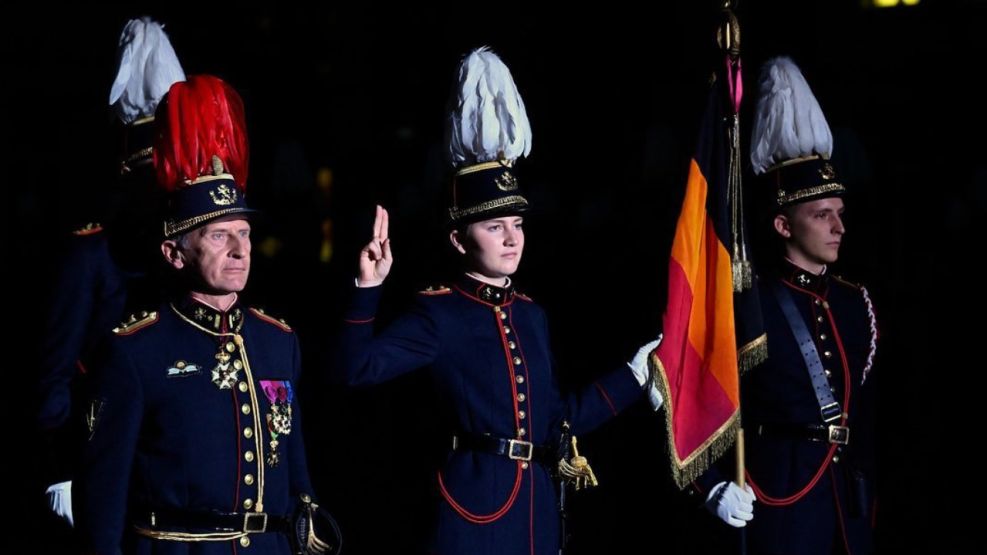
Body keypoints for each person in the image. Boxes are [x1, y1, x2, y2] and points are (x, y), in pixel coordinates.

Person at [334, 47, 662, 555]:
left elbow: (556, 423)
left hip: (537, 514)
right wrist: (368, 289)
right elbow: (357, 371)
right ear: (460, 240)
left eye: (517, 225)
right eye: (494, 227)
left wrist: (634, 376)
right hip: (473, 515)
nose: (512, 239)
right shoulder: (439, 313)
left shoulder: (531, 314)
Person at [76, 75, 337, 555]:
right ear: (175, 254)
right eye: (219, 236)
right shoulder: (136, 351)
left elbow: (297, 473)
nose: (240, 250)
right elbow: (103, 501)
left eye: (244, 233)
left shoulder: (278, 341)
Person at [703, 56, 878, 555]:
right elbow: (707, 407)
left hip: (847, 508)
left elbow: (865, 421)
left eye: (840, 214)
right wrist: (712, 486)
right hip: (781, 505)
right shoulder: (748, 301)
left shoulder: (853, 302)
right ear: (784, 226)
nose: (838, 228)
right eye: (822, 215)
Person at [38, 16, 185, 530]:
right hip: (102, 446)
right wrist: (61, 470)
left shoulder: (186, 249)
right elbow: (56, 372)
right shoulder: (92, 253)